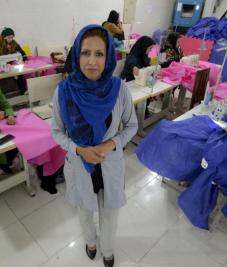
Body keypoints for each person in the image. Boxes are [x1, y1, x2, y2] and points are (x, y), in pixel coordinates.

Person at [51, 24, 138, 267]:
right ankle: (90, 241)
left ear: (108, 56)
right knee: (84, 210)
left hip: (110, 164)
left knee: (110, 214)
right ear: (76, 54)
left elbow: (132, 125)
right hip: (80, 164)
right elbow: (56, 132)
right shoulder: (63, 91)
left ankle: (107, 249)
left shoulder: (119, 89)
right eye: (85, 53)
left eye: (99, 54)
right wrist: (79, 149)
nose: (91, 62)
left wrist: (112, 143)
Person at [120, 36, 156, 116]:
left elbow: (148, 66)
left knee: (149, 90)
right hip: (128, 81)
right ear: (144, 46)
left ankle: (143, 112)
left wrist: (154, 73)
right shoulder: (133, 55)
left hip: (137, 81)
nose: (151, 50)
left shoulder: (144, 56)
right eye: (150, 48)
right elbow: (131, 62)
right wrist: (134, 67)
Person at [0, 27, 29, 95]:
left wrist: (25, 59)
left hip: (12, 63)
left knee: (20, 74)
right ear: (4, 37)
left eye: (12, 37)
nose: (11, 39)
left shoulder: (14, 43)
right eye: (9, 37)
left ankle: (24, 91)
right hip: (2, 64)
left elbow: (22, 52)